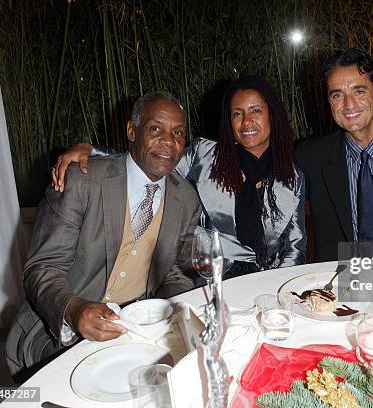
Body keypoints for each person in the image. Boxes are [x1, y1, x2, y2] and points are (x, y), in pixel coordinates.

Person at [6, 92, 201, 379]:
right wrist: (74, 311)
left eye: (178, 133)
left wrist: (161, 316)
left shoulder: (186, 198)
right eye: (156, 129)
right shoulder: (79, 180)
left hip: (138, 323)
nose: (169, 142)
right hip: (61, 325)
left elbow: (176, 275)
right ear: (132, 131)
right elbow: (42, 268)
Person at [51, 76, 306, 276]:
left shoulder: (291, 177)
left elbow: (294, 248)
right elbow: (146, 164)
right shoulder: (205, 156)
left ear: (272, 115)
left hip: (264, 284)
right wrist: (91, 150)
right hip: (208, 277)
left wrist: (275, 291)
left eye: (256, 111)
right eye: (237, 113)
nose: (246, 122)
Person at [295, 48, 373, 262]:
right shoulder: (310, 157)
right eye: (337, 95)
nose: (349, 104)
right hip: (343, 284)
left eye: (359, 91)